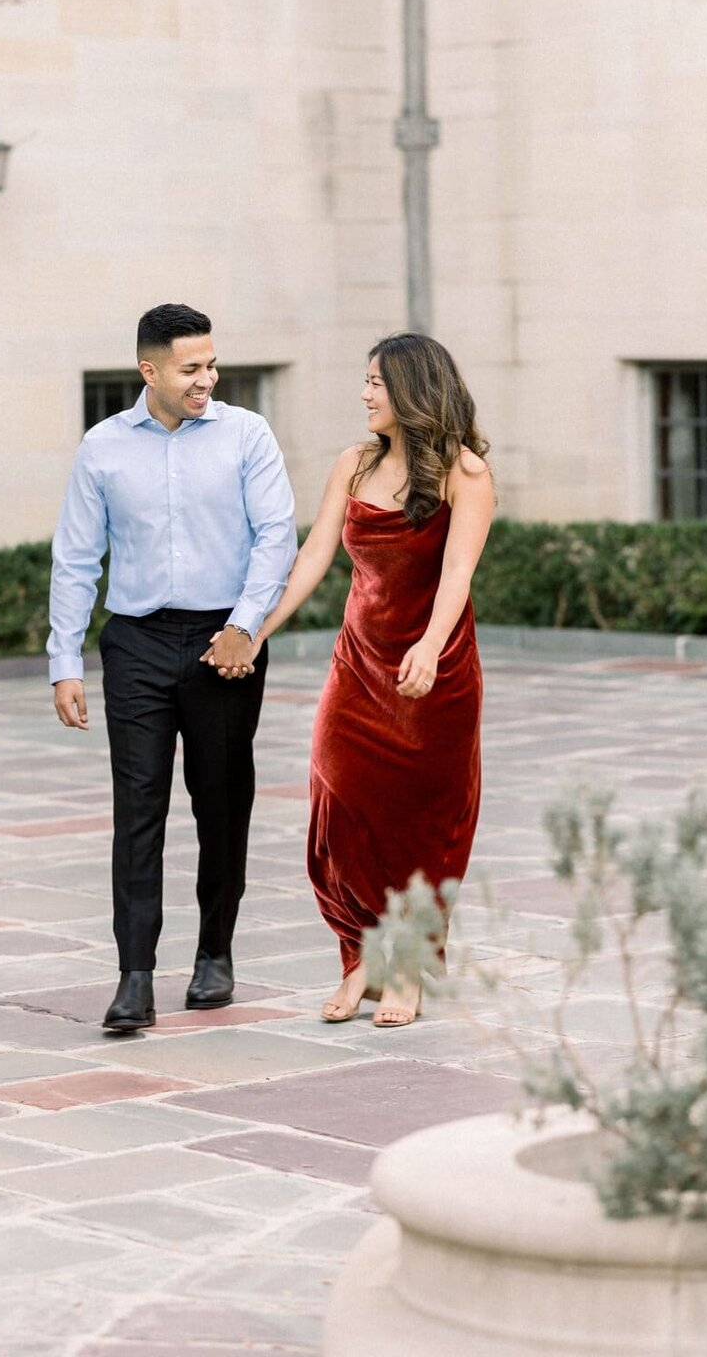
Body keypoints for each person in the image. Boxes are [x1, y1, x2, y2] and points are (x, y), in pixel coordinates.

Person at [206, 332, 492, 1027]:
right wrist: (256, 629)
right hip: (358, 666)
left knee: (420, 824)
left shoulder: (466, 474)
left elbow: (457, 572)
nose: (364, 394)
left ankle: (408, 966)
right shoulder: (354, 463)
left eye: (375, 383)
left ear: (413, 390)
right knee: (341, 810)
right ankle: (359, 954)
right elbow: (313, 556)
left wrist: (429, 645)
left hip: (435, 672)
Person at [48, 304, 297, 1034]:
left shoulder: (247, 435)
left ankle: (214, 951)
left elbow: (275, 536)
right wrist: (65, 658)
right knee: (138, 809)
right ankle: (134, 978)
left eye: (211, 365)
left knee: (221, 802)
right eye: (191, 368)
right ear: (149, 370)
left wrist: (243, 628)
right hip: (137, 644)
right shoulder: (102, 448)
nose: (207, 379)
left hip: (226, 646)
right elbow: (75, 557)